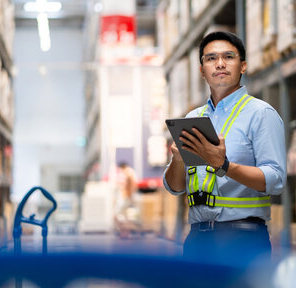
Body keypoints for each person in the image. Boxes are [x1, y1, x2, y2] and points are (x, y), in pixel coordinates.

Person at [163, 31, 286, 263]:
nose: (219, 64)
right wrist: (178, 161)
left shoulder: (260, 114)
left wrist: (224, 165)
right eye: (211, 58)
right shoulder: (193, 118)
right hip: (198, 239)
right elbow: (175, 188)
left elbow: (276, 179)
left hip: (243, 238)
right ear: (202, 70)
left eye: (228, 57)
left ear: (243, 66)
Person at [115, 161, 139, 238]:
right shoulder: (130, 173)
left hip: (126, 198)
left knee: (118, 215)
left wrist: (128, 197)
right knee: (126, 216)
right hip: (127, 197)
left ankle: (125, 232)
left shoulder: (129, 173)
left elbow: (130, 186)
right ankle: (126, 232)